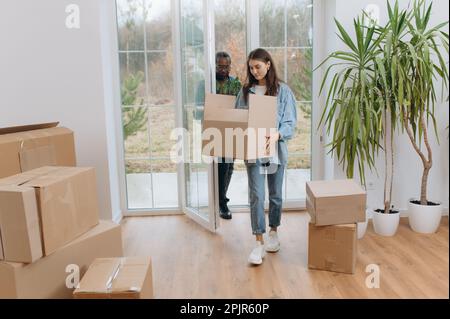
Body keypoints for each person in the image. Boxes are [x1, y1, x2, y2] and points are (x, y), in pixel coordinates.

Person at [235, 48, 297, 265]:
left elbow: (290, 122)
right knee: (256, 196)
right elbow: (237, 120)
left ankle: (273, 232)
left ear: (268, 64)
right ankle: (258, 242)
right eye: (251, 68)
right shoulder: (245, 92)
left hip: (276, 151)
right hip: (253, 152)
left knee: (275, 195)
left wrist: (278, 133)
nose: (254, 71)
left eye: (258, 67)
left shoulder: (283, 92)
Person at [195, 52, 242, 219]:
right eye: (220, 66)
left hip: (232, 130)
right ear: (213, 66)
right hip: (214, 131)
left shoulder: (236, 84)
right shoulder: (205, 85)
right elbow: (197, 110)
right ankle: (222, 203)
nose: (223, 69)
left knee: (229, 167)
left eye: (226, 66)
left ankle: (220, 199)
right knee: (221, 166)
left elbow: (241, 106)